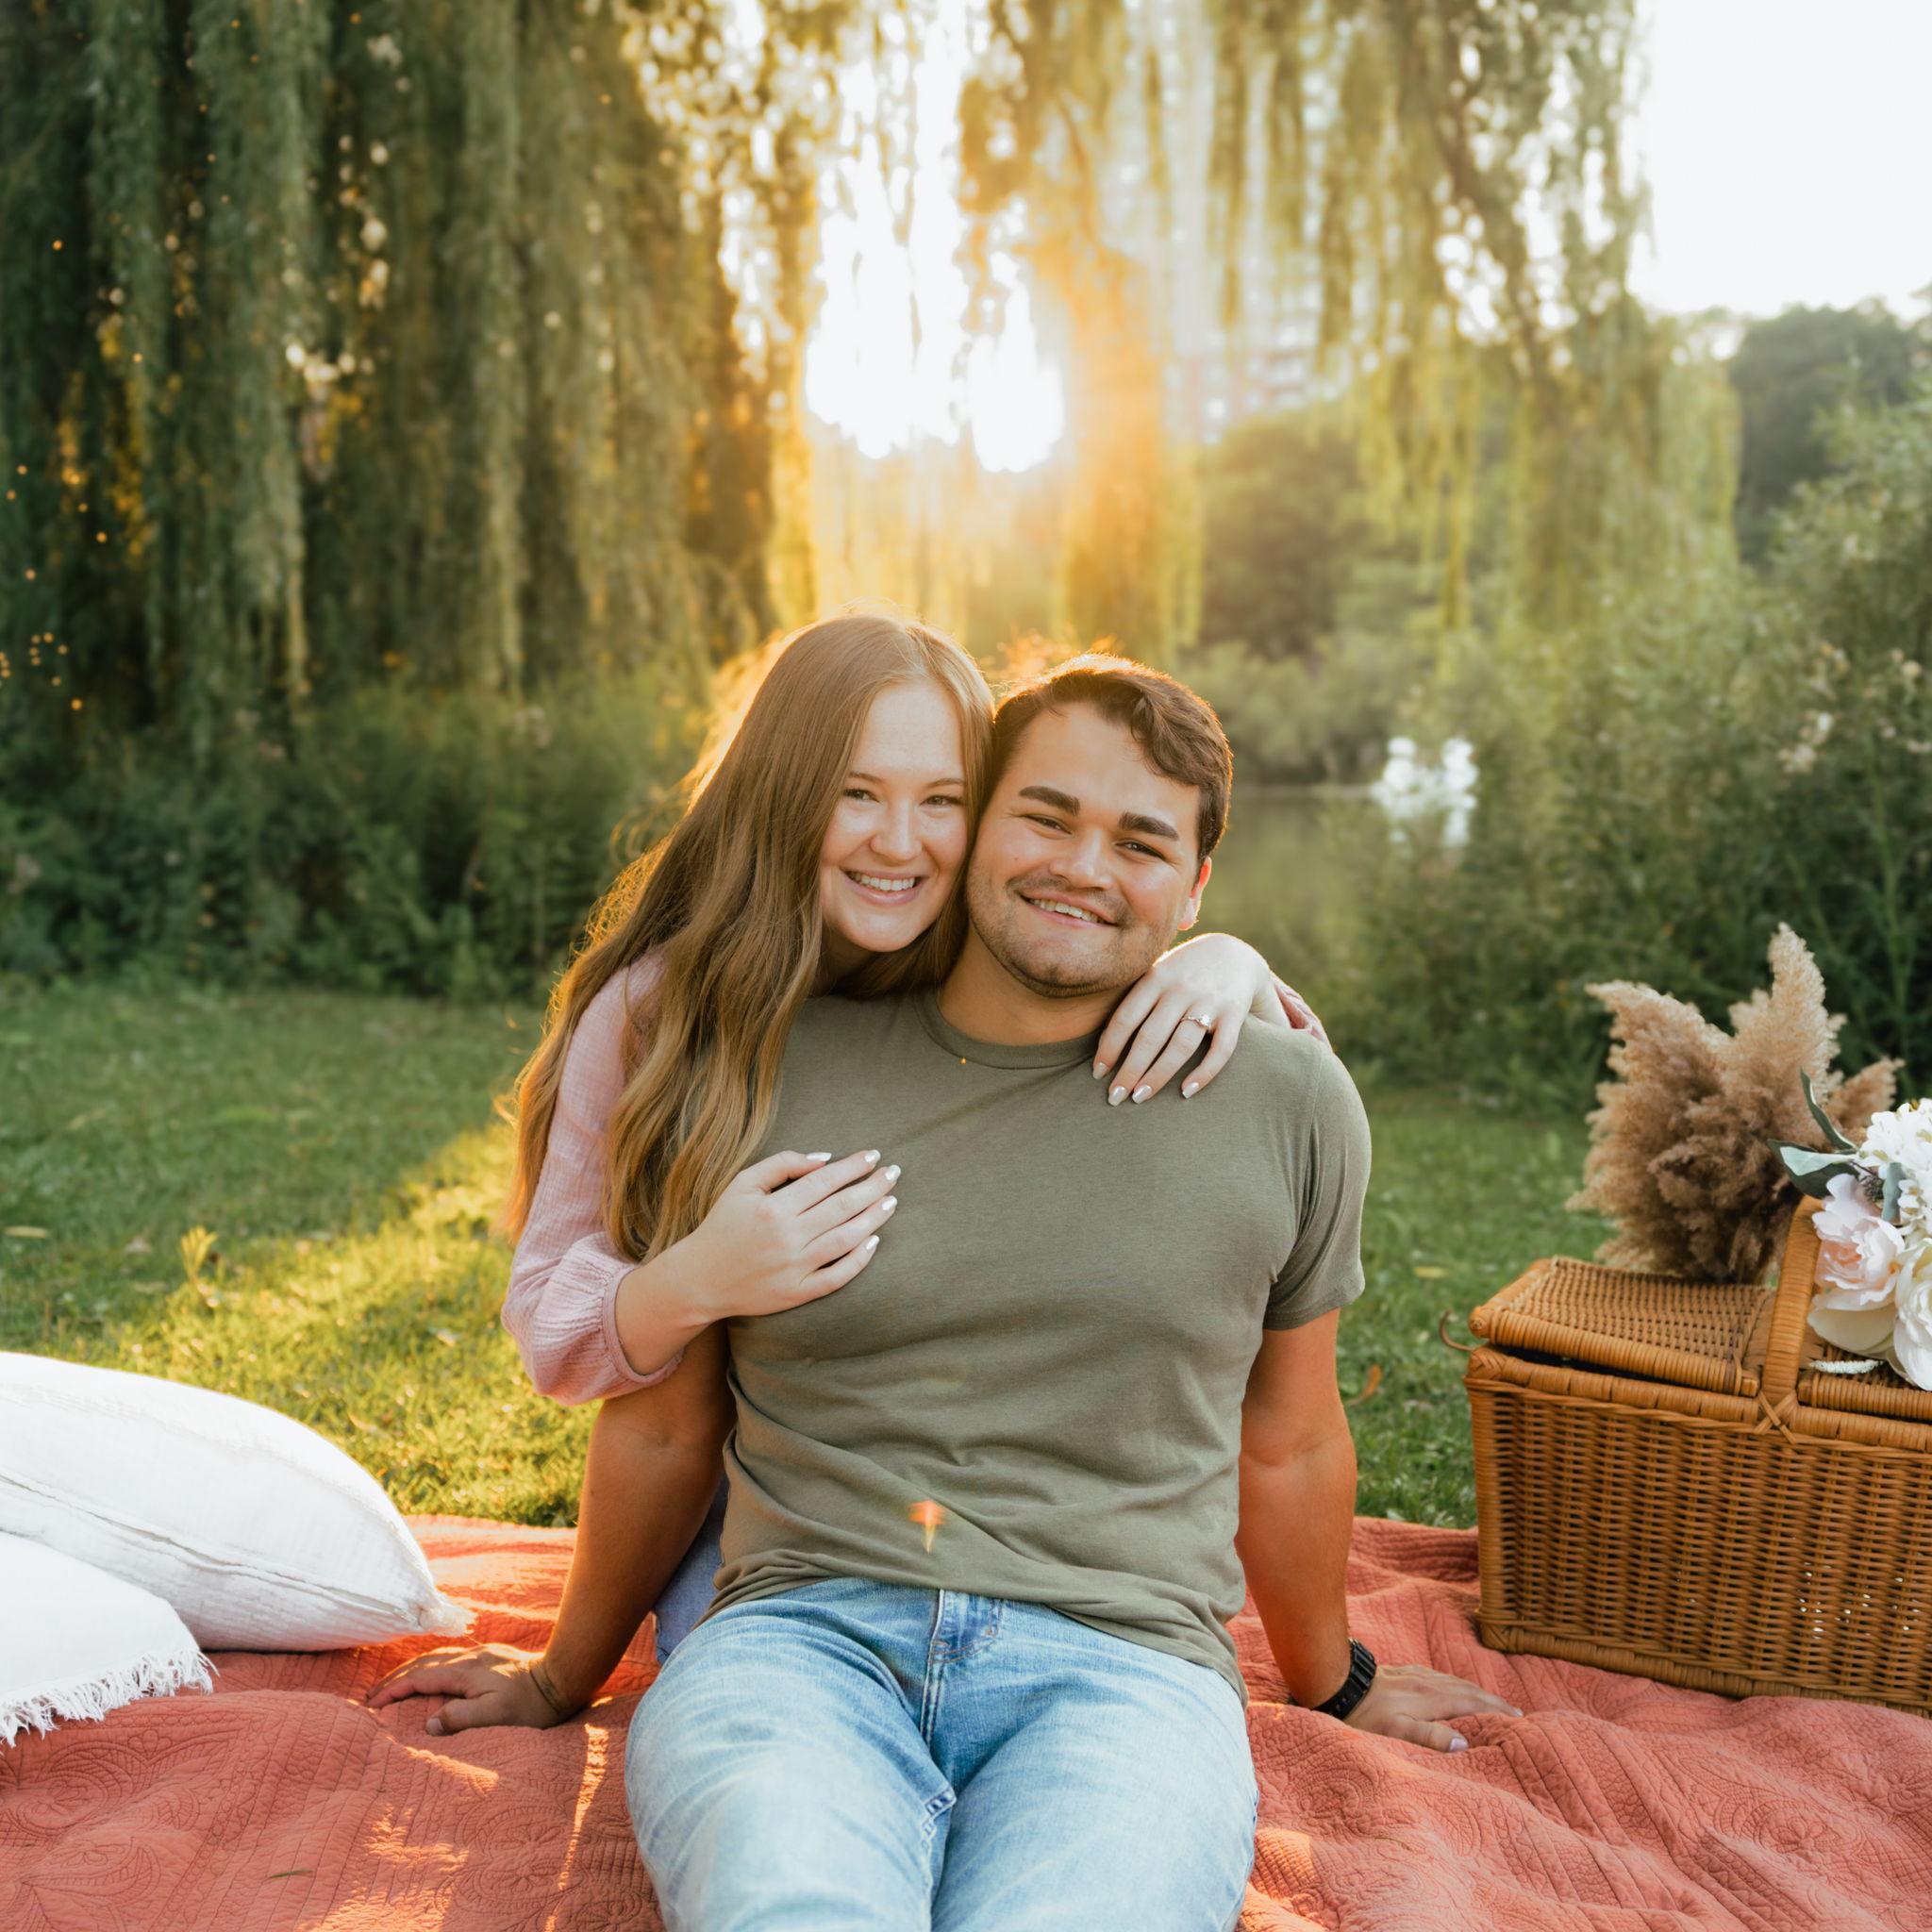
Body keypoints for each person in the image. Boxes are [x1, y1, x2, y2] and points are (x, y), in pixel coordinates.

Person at [373, 653, 1516, 1931]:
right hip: (799, 1638)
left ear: (1197, 885)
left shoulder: (1285, 1096)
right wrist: (558, 1676)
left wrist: (1335, 1679)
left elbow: (1291, 1436)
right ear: (983, 833)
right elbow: (661, 1425)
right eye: (1045, 816)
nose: (1082, 866)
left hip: (1122, 1666)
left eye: (1140, 842)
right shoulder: (753, 1053)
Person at [373, 607, 1324, 1696]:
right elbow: (568, 1341)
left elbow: (1269, 1104)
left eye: (942, 800)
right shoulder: (659, 1016)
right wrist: (698, 1277)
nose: (898, 842)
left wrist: (1229, 961)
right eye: (855, 792)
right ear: (782, 792)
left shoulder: (994, 958)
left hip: (1036, 1545)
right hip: (772, 1542)